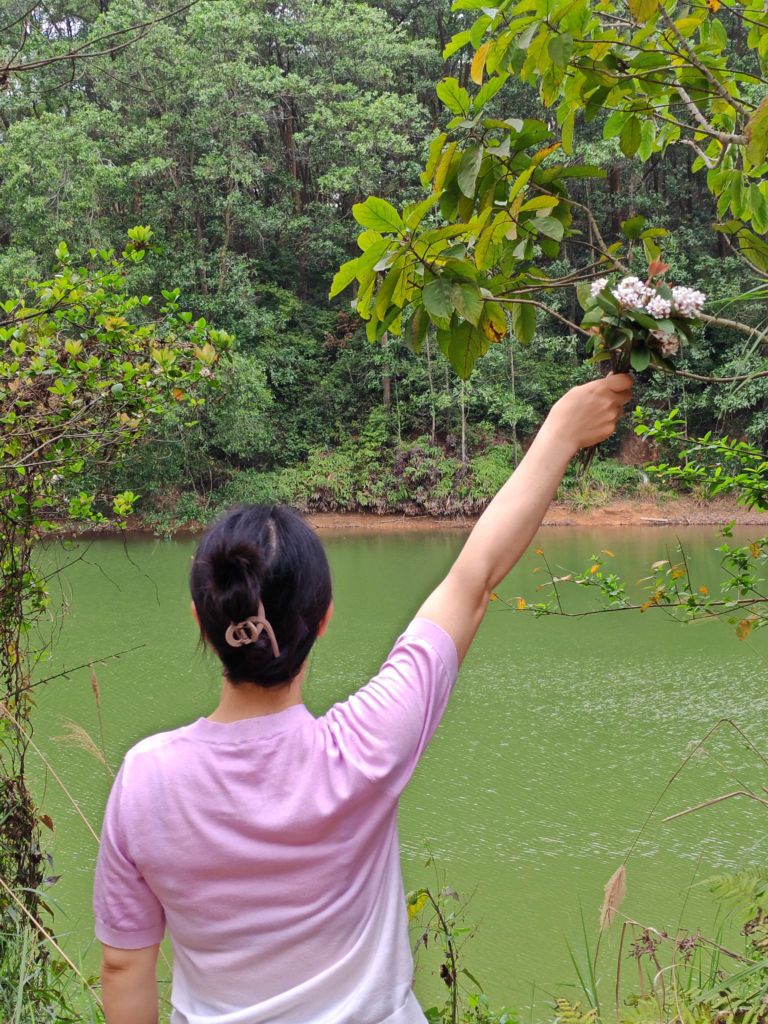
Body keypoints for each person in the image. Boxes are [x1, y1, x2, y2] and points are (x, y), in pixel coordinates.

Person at [94, 373, 632, 1024]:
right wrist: (562, 431)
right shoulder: (365, 744)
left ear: (201, 622)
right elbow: (475, 579)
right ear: (322, 620)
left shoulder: (148, 779)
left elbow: (125, 965)